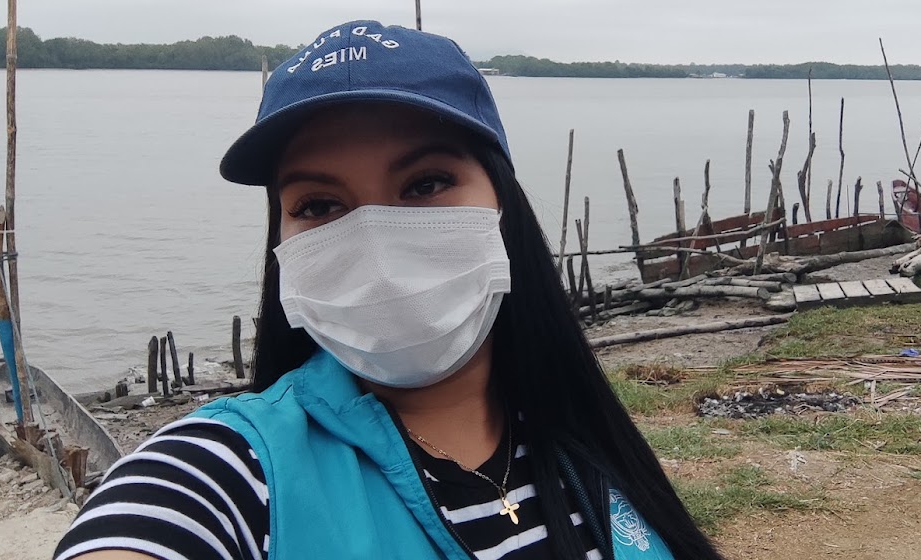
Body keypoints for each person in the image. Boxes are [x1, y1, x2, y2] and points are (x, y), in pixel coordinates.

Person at [55, 20, 724, 560]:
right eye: (318, 205)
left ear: (502, 206)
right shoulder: (233, 471)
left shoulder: (583, 432)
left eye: (426, 184)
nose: (374, 241)